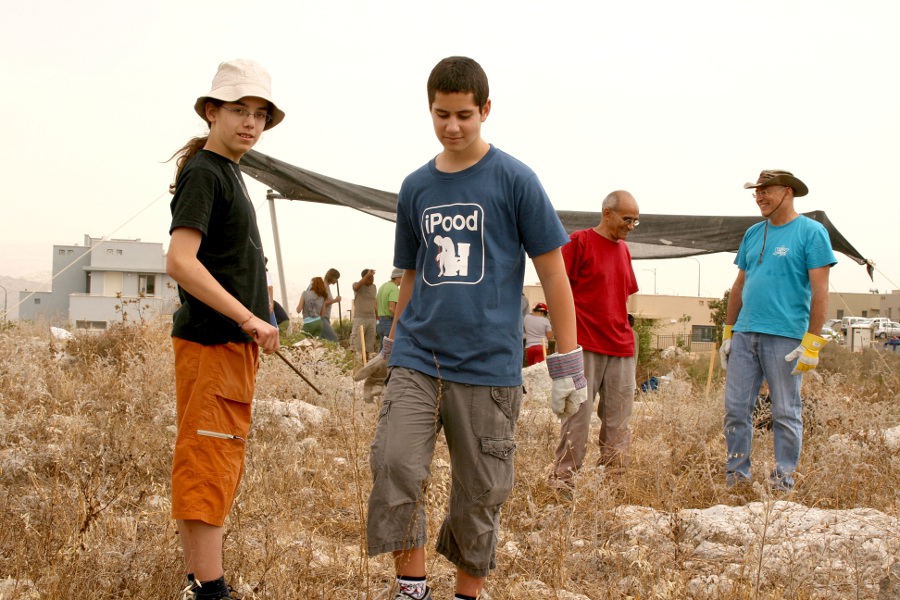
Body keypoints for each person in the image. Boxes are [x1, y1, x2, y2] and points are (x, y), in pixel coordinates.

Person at [365, 56, 585, 600]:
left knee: (481, 488)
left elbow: (554, 275)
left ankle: (469, 592)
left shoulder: (515, 180)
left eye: (464, 114)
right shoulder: (416, 186)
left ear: (486, 110)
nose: (453, 126)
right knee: (395, 464)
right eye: (441, 114)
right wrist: (392, 348)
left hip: (488, 364)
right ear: (430, 110)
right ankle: (411, 588)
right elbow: (411, 276)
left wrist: (567, 366)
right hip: (420, 356)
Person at [165, 59, 283, 600]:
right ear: (211, 111)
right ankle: (212, 590)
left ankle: (199, 581)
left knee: (208, 452)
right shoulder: (207, 172)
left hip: (225, 344)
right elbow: (181, 261)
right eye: (239, 110)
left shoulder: (228, 171)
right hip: (215, 342)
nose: (251, 123)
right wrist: (247, 315)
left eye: (260, 113)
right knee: (211, 456)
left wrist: (263, 306)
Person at [720, 170, 836, 492]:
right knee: (735, 410)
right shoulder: (753, 233)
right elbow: (740, 284)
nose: (759, 197)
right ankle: (737, 480)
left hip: (785, 337)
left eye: (765, 191)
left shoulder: (811, 233)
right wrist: (728, 332)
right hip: (745, 334)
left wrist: (812, 342)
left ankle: (782, 483)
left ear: (787, 192)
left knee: (785, 411)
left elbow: (821, 289)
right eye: (755, 193)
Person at [551, 191, 640, 490]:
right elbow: (556, 286)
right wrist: (564, 345)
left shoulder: (624, 250)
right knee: (577, 419)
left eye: (636, 221)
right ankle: (563, 484)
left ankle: (614, 489)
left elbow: (624, 295)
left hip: (621, 347)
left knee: (618, 423)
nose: (631, 226)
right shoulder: (580, 241)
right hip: (584, 344)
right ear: (607, 213)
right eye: (627, 219)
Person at [349, 268, 377, 356]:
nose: (372, 279)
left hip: (372, 319)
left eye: (372, 277)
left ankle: (368, 364)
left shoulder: (374, 287)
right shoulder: (358, 286)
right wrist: (368, 275)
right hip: (360, 318)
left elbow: (374, 302)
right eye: (369, 277)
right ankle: (357, 365)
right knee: (357, 346)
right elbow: (356, 287)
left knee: (370, 346)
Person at [376, 268, 403, 348]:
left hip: (381, 322)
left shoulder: (383, 286)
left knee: (383, 353)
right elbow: (391, 308)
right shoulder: (394, 289)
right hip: (389, 322)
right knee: (390, 351)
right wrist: (399, 320)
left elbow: (376, 304)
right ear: (398, 277)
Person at [320, 268, 342, 341]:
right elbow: (323, 302)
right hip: (321, 317)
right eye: (336, 278)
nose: (336, 281)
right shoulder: (323, 286)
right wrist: (335, 300)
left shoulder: (327, 286)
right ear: (332, 277)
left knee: (322, 340)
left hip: (326, 317)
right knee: (333, 338)